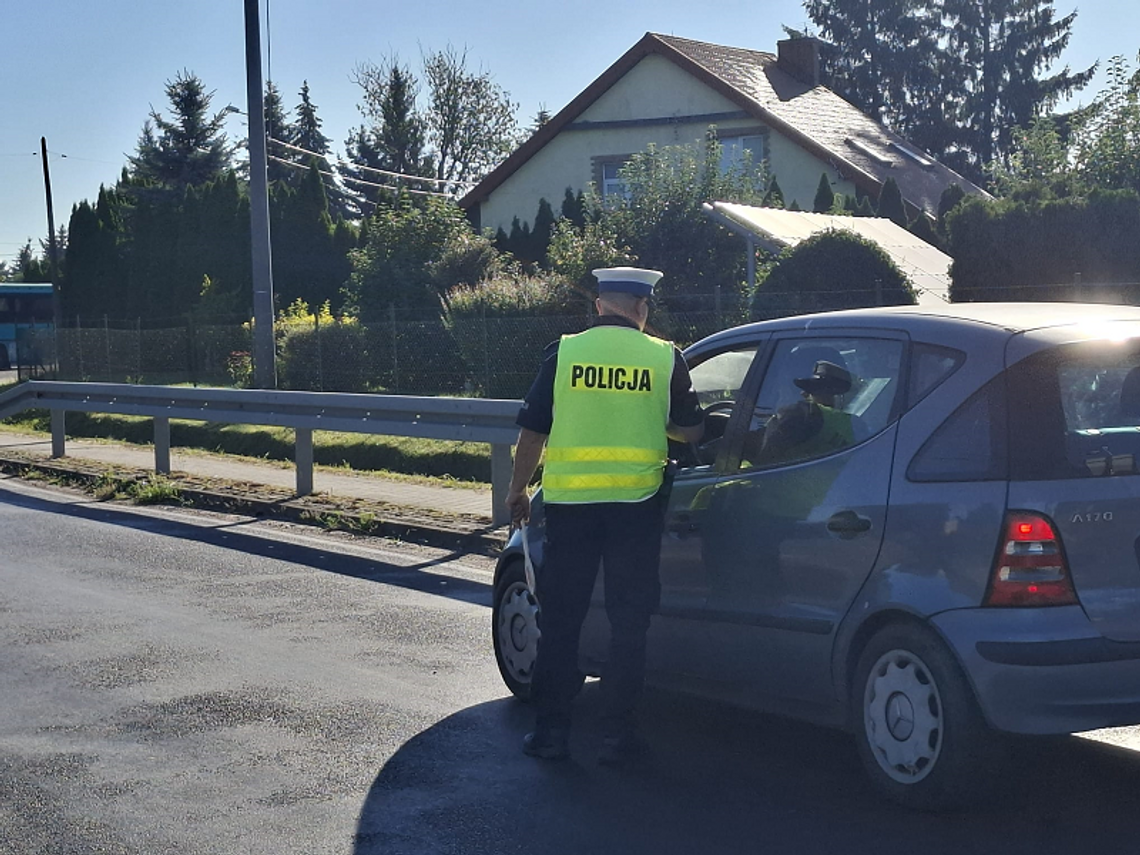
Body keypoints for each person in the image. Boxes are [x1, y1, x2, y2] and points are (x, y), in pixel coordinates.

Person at [506, 266, 704, 765]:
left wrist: (518, 491)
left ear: (598, 306)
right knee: (629, 623)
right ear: (642, 309)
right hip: (636, 510)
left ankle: (551, 734)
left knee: (563, 620)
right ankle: (619, 737)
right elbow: (693, 431)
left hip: (571, 510)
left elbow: (532, 432)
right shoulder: (665, 358)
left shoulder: (565, 352)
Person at [758, 359, 856, 464]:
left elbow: (760, 460)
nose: (803, 393)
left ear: (834, 394)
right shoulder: (857, 426)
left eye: (813, 389)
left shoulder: (797, 416)